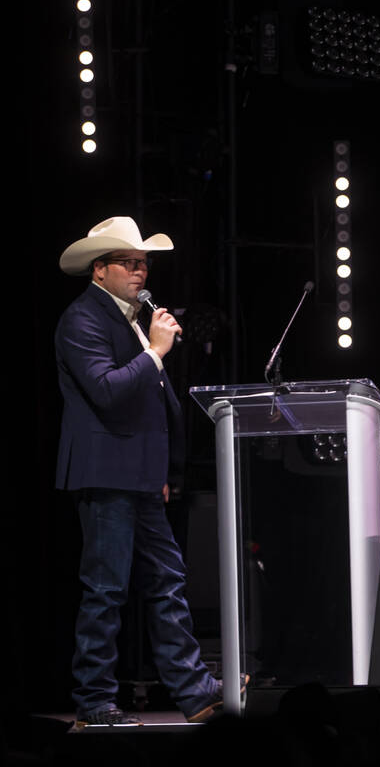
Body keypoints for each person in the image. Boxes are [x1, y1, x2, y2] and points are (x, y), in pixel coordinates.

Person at [56, 217, 223, 725]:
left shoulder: (132, 315)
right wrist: (154, 351)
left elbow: (151, 404)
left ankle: (195, 692)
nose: (139, 269)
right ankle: (93, 700)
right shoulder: (82, 318)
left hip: (142, 474)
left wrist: (161, 469)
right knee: (106, 589)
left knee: (167, 580)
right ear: (98, 270)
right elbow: (107, 391)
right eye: (127, 262)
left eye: (143, 262)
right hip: (105, 472)